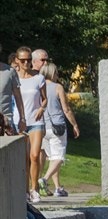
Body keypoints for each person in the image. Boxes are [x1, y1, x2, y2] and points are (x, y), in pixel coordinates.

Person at [36, 62, 79, 198]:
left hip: (43, 127)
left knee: (53, 159)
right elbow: (66, 109)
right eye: (56, 72)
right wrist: (74, 125)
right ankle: (44, 179)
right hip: (57, 126)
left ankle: (58, 188)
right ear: (52, 73)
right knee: (59, 157)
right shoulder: (57, 87)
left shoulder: (38, 86)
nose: (57, 75)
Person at [16, 47, 46, 201]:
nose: (26, 63)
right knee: (24, 158)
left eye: (28, 60)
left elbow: (44, 98)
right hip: (20, 121)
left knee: (34, 155)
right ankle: (25, 190)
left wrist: (42, 108)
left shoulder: (38, 78)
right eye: (23, 60)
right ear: (17, 61)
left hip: (36, 121)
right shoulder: (14, 78)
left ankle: (34, 189)